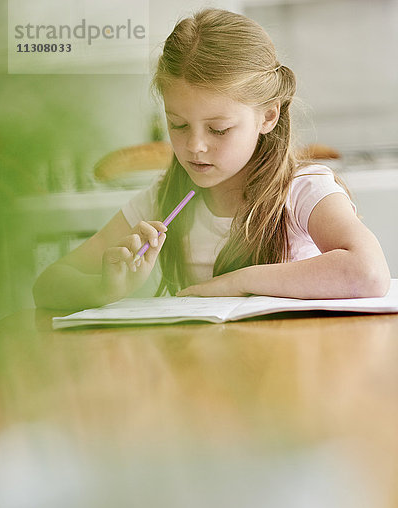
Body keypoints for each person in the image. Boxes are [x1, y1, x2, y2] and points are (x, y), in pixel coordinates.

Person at [33, 8, 390, 310]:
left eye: (218, 130)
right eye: (178, 125)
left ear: (268, 117)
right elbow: (48, 284)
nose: (195, 146)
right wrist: (105, 288)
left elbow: (370, 273)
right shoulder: (163, 199)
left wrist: (239, 283)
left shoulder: (301, 190)